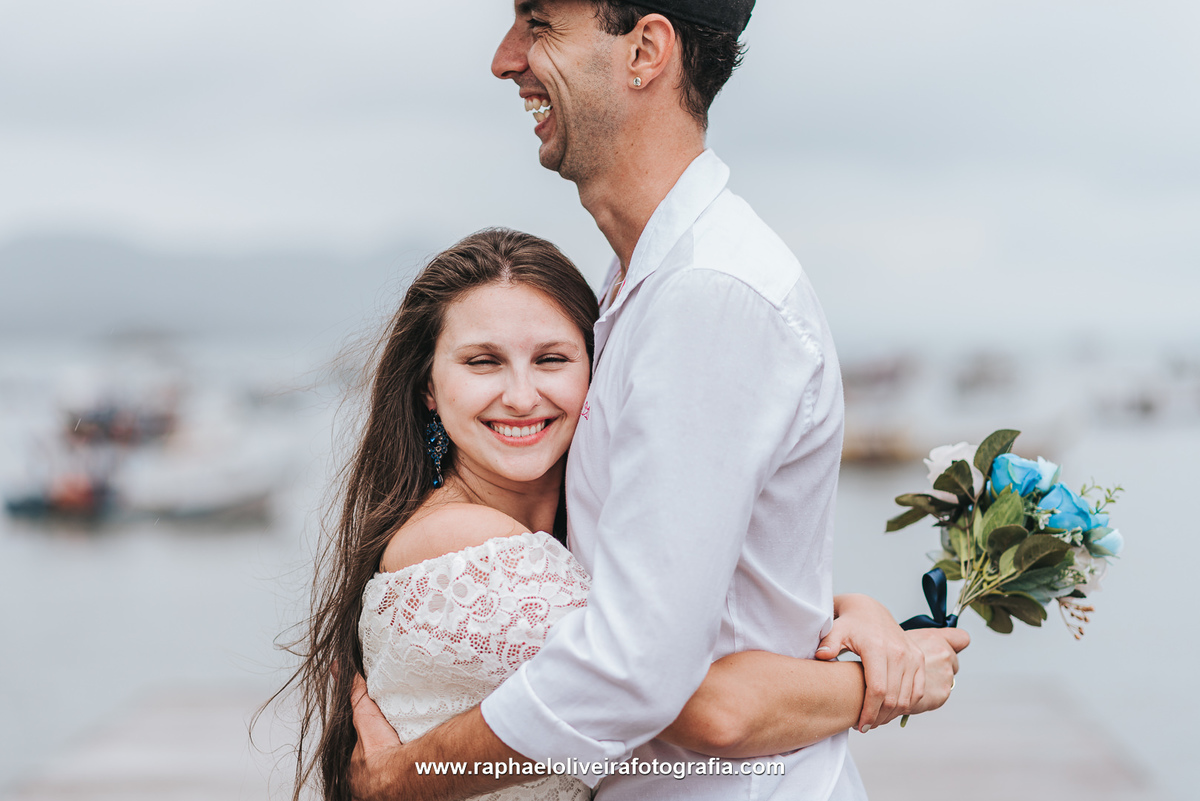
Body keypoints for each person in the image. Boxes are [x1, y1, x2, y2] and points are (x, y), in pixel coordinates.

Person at [345, 2, 971, 799]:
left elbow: (641, 667)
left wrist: (402, 777)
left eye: (539, 22)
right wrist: (860, 628)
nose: (505, 58)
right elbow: (693, 583)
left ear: (645, 50)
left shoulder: (706, 295)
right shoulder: (641, 286)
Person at [280, 228, 961, 801]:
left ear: (595, 374)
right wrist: (897, 677)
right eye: (483, 362)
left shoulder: (549, 538)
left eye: (552, 358)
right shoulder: (466, 543)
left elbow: (682, 612)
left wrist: (854, 609)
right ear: (428, 386)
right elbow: (703, 705)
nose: (521, 395)